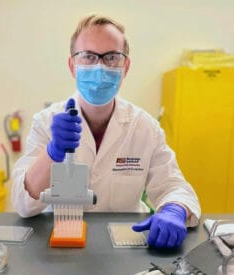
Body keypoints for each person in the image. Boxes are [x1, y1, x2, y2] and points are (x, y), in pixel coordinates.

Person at [11, 13, 201, 248]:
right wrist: (52, 152)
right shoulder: (46, 122)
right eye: (88, 56)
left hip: (127, 244)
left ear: (125, 66)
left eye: (111, 57)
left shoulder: (145, 127)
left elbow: (174, 186)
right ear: (73, 65)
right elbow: (23, 204)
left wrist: (175, 209)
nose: (99, 67)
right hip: (61, 243)